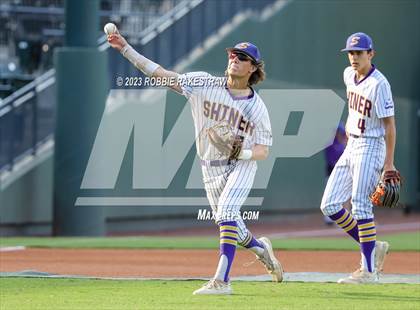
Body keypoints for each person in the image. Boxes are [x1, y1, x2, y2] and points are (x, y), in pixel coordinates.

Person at [107, 30, 282, 295]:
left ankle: (222, 281)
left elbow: (263, 150)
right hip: (209, 169)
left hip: (241, 166)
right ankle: (262, 250)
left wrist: (242, 155)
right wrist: (125, 49)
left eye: (243, 57)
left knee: (226, 214)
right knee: (235, 226)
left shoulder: (256, 107)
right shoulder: (203, 84)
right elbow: (160, 74)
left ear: (253, 68)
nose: (235, 58)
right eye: (233, 54)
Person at [320, 32, 397, 284]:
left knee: (361, 205)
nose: (354, 57)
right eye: (351, 53)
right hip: (351, 144)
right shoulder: (347, 75)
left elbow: (389, 125)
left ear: (371, 54)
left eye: (359, 52)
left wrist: (389, 163)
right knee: (330, 206)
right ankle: (374, 247)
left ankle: (368, 271)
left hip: (371, 146)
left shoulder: (380, 84)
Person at [323, 123, 348, 225]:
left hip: (341, 173)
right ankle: (329, 220)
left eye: (340, 132)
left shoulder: (342, 144)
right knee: (330, 195)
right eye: (338, 131)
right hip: (331, 171)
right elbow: (333, 159)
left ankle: (345, 217)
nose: (339, 134)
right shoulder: (330, 143)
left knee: (344, 196)